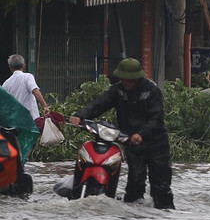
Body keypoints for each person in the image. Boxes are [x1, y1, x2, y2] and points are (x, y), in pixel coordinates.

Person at [69, 58, 175, 208]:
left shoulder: (152, 91)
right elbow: (100, 103)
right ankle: (132, 215)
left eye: (128, 80)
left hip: (156, 144)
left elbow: (157, 118)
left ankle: (164, 215)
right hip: (132, 142)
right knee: (135, 183)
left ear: (137, 78)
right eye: (123, 79)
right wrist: (80, 115)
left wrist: (142, 133)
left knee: (161, 186)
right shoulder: (118, 90)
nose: (125, 82)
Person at [4, 55, 48, 121]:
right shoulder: (27, 77)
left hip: (15, 120)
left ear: (10, 67)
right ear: (24, 66)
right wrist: (45, 106)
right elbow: (35, 91)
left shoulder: (6, 83)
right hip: (30, 119)